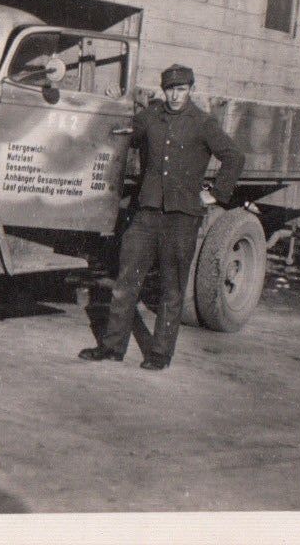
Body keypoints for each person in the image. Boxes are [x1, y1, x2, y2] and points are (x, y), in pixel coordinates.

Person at [79, 63, 245, 371]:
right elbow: (124, 130)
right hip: (147, 213)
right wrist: (114, 102)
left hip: (182, 218)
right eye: (171, 89)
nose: (176, 96)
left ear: (190, 90)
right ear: (163, 90)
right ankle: (112, 347)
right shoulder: (151, 117)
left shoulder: (203, 123)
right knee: (126, 281)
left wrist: (215, 194)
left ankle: (159, 353)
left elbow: (234, 157)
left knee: (172, 287)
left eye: (182, 90)